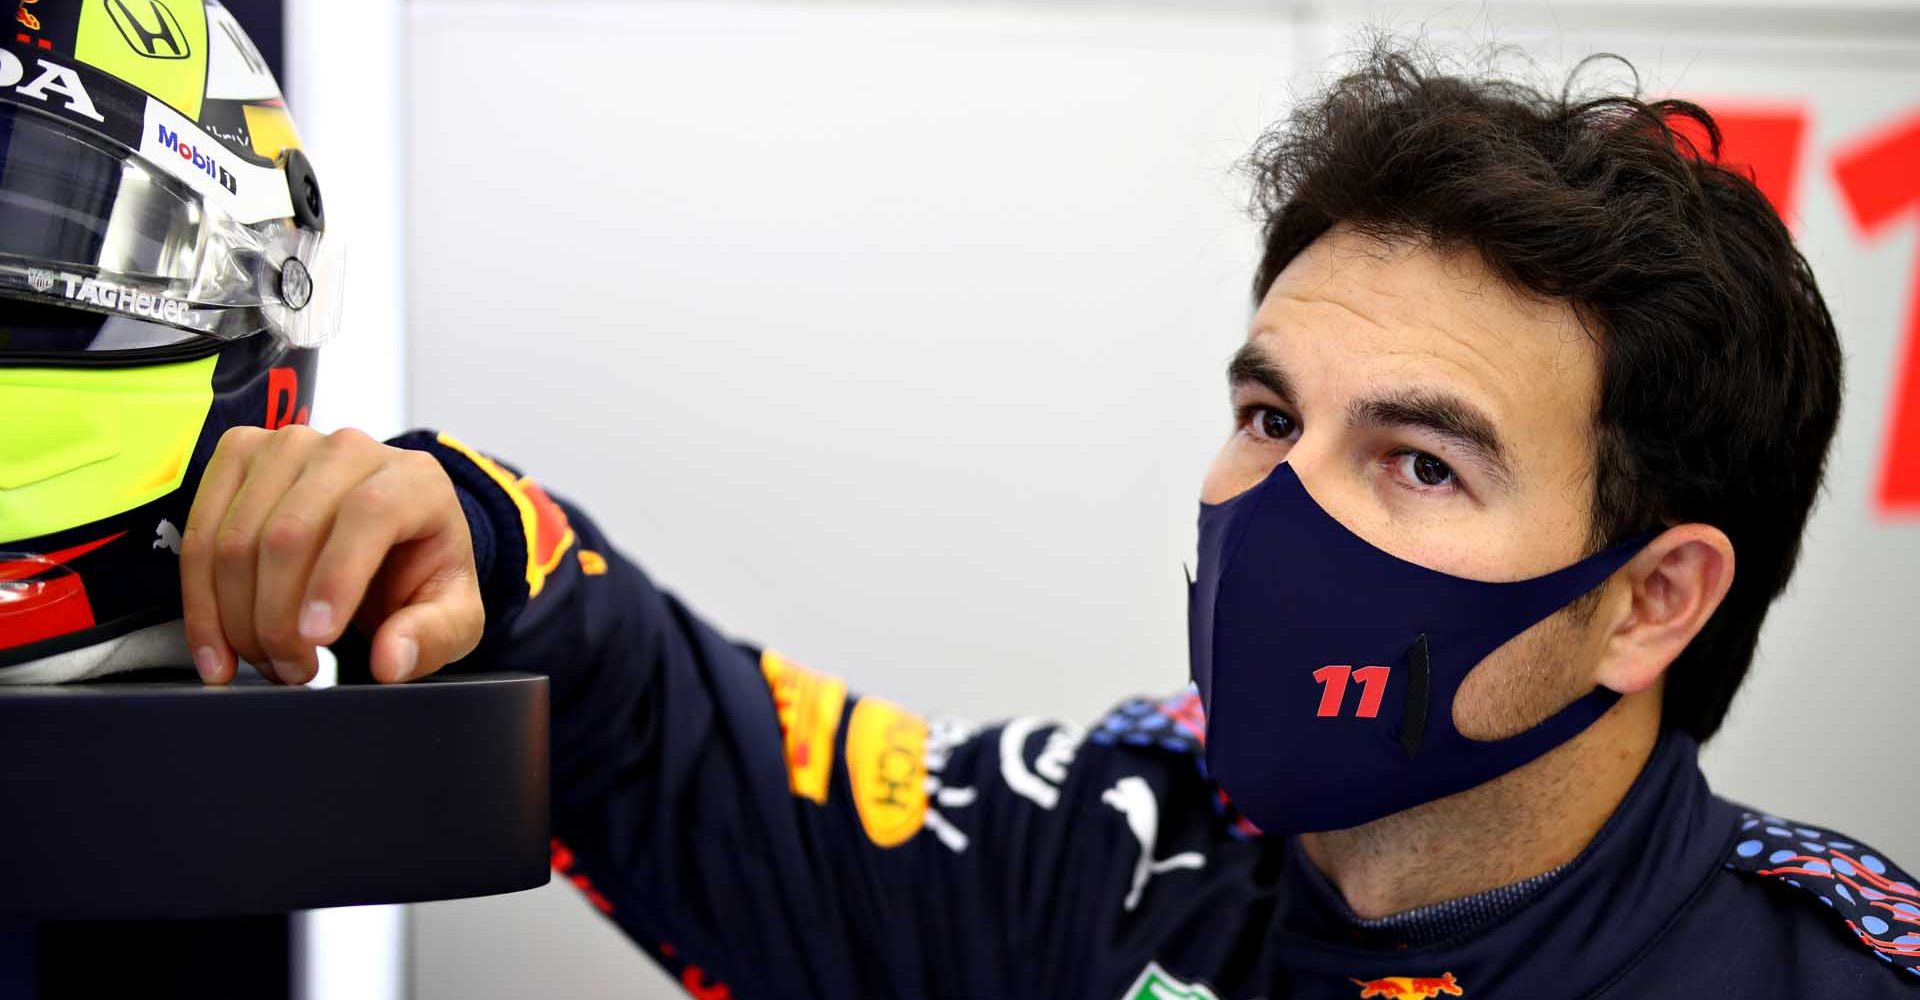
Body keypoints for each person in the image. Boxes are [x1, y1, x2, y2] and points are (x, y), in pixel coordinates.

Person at [2, 23, 1912, 998]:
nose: (1281, 511)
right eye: (1268, 415)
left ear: (1655, 597)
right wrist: (479, 540)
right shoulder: (1124, 845)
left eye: (1417, 461)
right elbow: (712, 770)